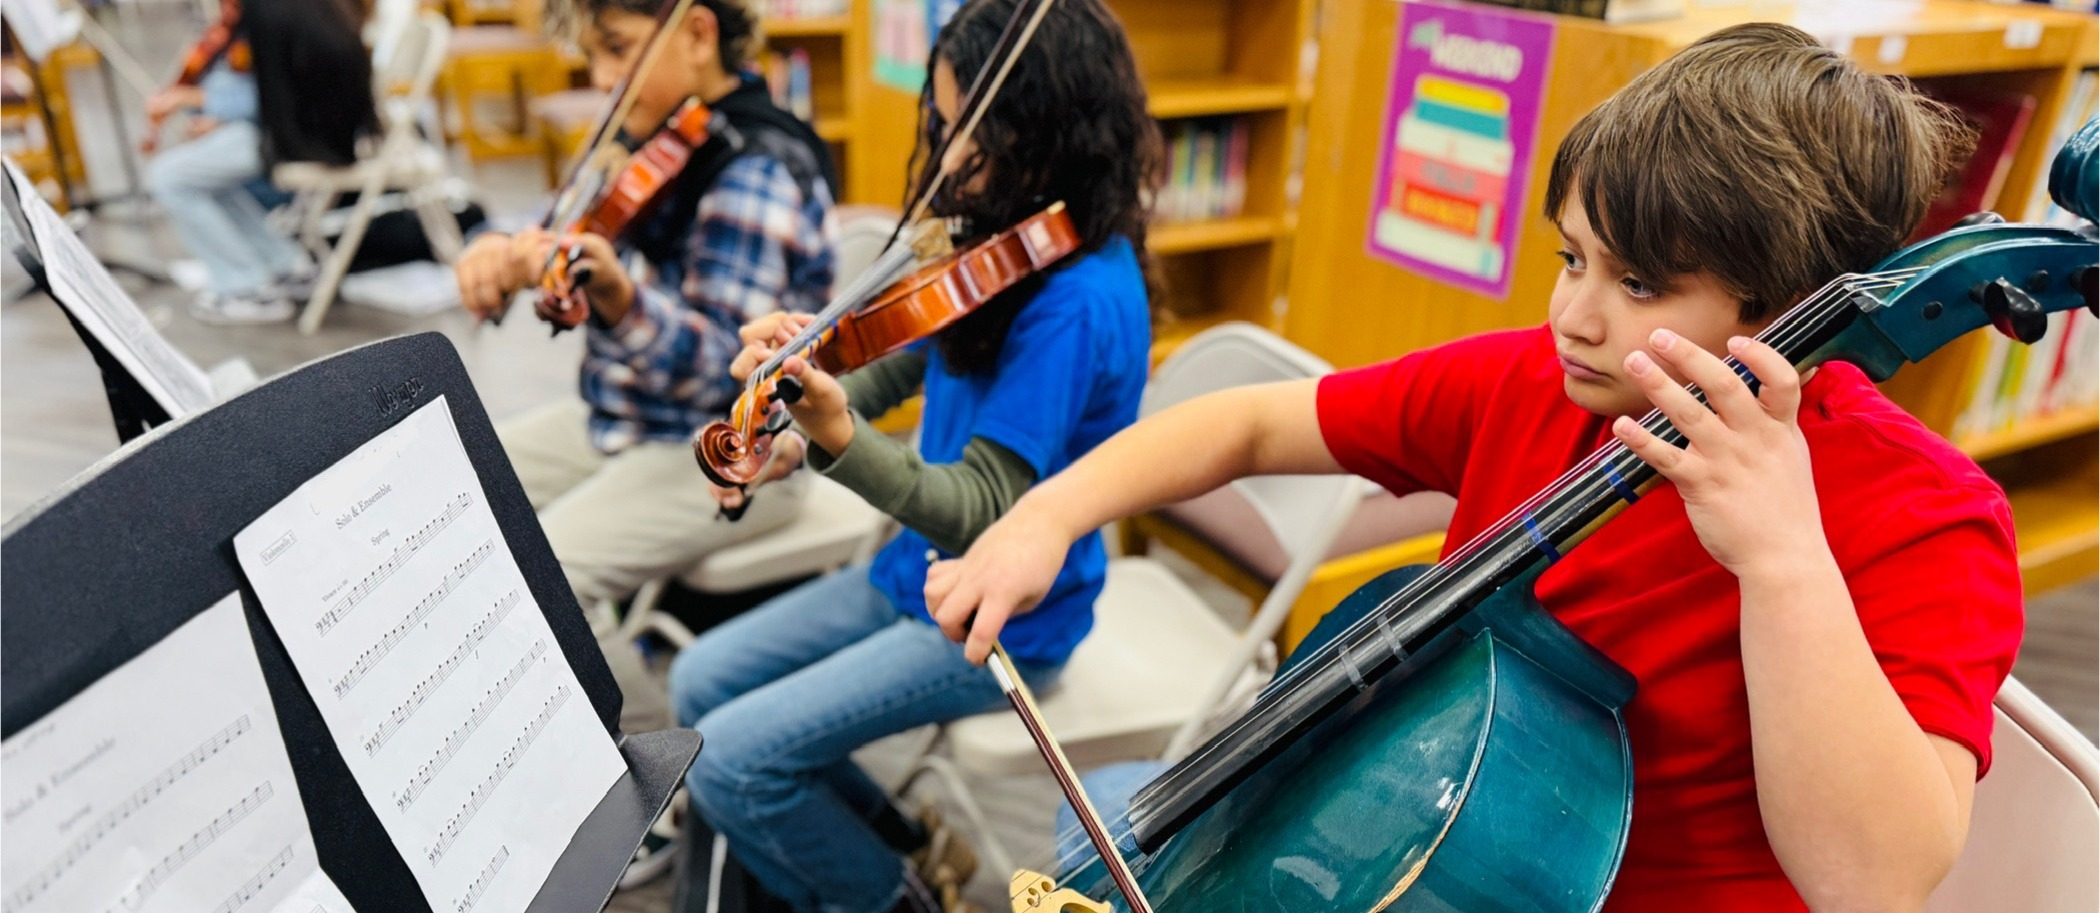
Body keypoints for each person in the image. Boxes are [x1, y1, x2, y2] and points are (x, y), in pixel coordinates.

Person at [927, 23, 2021, 913]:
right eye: (1570, 257)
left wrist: (1785, 562)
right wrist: (1049, 513)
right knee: (1115, 822)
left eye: (1637, 283)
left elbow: (1876, 882)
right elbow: (1255, 425)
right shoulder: (1543, 382)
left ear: (1790, 305)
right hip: (1405, 851)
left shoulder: (1926, 515)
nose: (1571, 316)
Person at [661, 1, 1162, 910]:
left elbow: (981, 506)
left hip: (1002, 619)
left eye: (972, 128)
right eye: (943, 119)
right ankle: (902, 848)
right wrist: (802, 394)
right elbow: (893, 371)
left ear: (1044, 132)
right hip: (914, 576)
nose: (947, 154)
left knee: (731, 762)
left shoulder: (1077, 301)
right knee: (699, 682)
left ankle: (895, 900)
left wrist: (838, 439)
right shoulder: (1006, 248)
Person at [453, 0, 836, 626]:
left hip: (734, 452)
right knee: (453, 489)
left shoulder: (755, 168)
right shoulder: (658, 135)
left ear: (697, 33)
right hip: (629, 416)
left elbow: (727, 373)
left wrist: (619, 300)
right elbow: (554, 217)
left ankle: (644, 726)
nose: (602, 79)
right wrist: (496, 247)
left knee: (540, 583)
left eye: (619, 48)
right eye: (592, 56)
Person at [142, 0, 373, 324]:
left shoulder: (267, 9)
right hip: (329, 131)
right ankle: (287, 266)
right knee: (199, 176)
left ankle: (247, 289)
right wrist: (218, 115)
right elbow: (284, 87)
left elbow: (270, 93)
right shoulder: (305, 8)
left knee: (168, 178)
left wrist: (202, 102)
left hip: (302, 140)